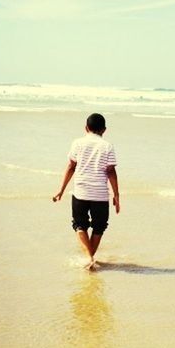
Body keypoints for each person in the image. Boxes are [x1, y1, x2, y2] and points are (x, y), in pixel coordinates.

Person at [53, 113, 120, 269]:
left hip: (81, 192)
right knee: (99, 227)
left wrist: (61, 190)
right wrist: (116, 195)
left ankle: (89, 258)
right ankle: (91, 258)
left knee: (79, 225)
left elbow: (71, 166)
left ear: (86, 128)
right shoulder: (107, 146)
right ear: (104, 130)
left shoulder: (77, 143)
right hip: (100, 195)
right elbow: (111, 171)